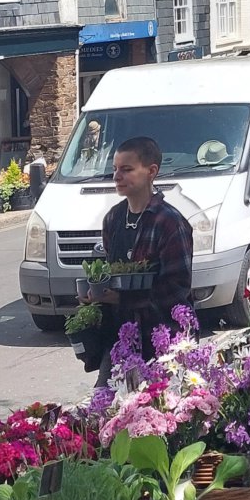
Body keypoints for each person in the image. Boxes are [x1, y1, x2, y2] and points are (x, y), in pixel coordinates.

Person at [95, 135, 195, 373]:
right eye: (115, 169)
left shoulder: (169, 222)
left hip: (165, 342)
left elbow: (177, 289)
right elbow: (113, 272)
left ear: (151, 171)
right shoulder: (113, 218)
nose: (117, 177)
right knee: (107, 404)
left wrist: (123, 299)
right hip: (122, 341)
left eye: (127, 169)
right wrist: (96, 296)